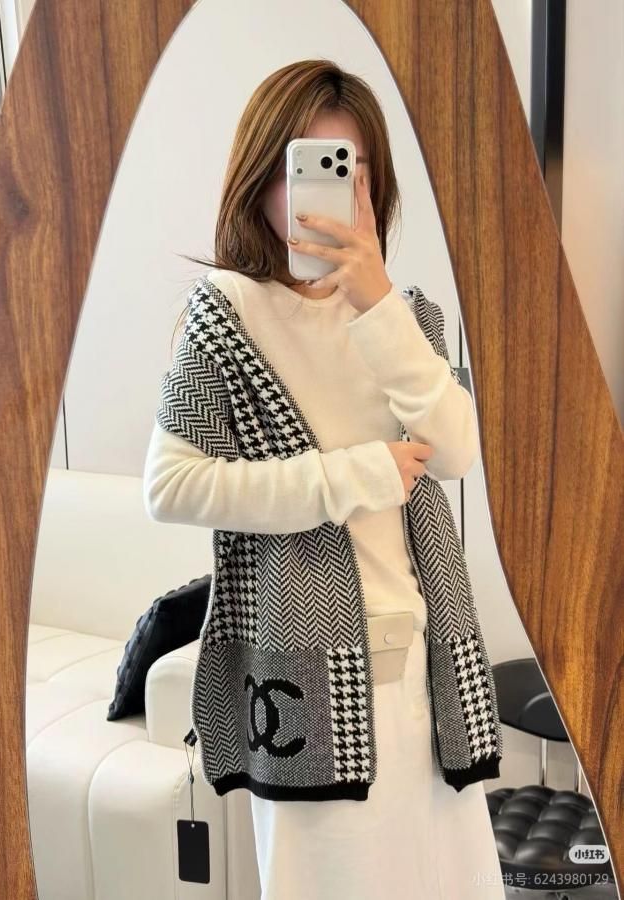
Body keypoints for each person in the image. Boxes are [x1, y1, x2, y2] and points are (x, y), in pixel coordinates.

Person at [143, 60, 505, 900]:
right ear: (260, 176)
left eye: (350, 169)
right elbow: (169, 486)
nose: (321, 195)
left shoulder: (408, 315)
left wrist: (375, 304)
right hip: (304, 689)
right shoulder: (225, 313)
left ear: (373, 186)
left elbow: (456, 451)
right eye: (301, 166)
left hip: (424, 674)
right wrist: (350, 476)